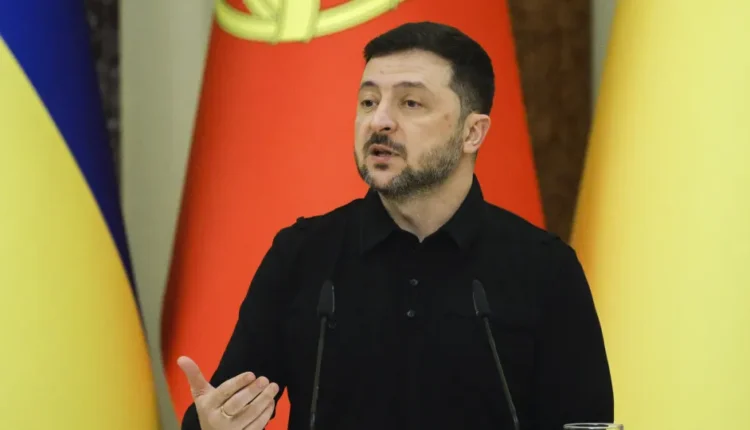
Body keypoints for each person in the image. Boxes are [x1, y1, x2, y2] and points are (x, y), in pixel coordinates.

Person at [178, 21, 614, 430]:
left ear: (472, 133)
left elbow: (584, 420)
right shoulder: (302, 254)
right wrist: (212, 424)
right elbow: (228, 408)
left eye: (410, 103)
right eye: (369, 101)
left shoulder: (545, 269)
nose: (379, 121)